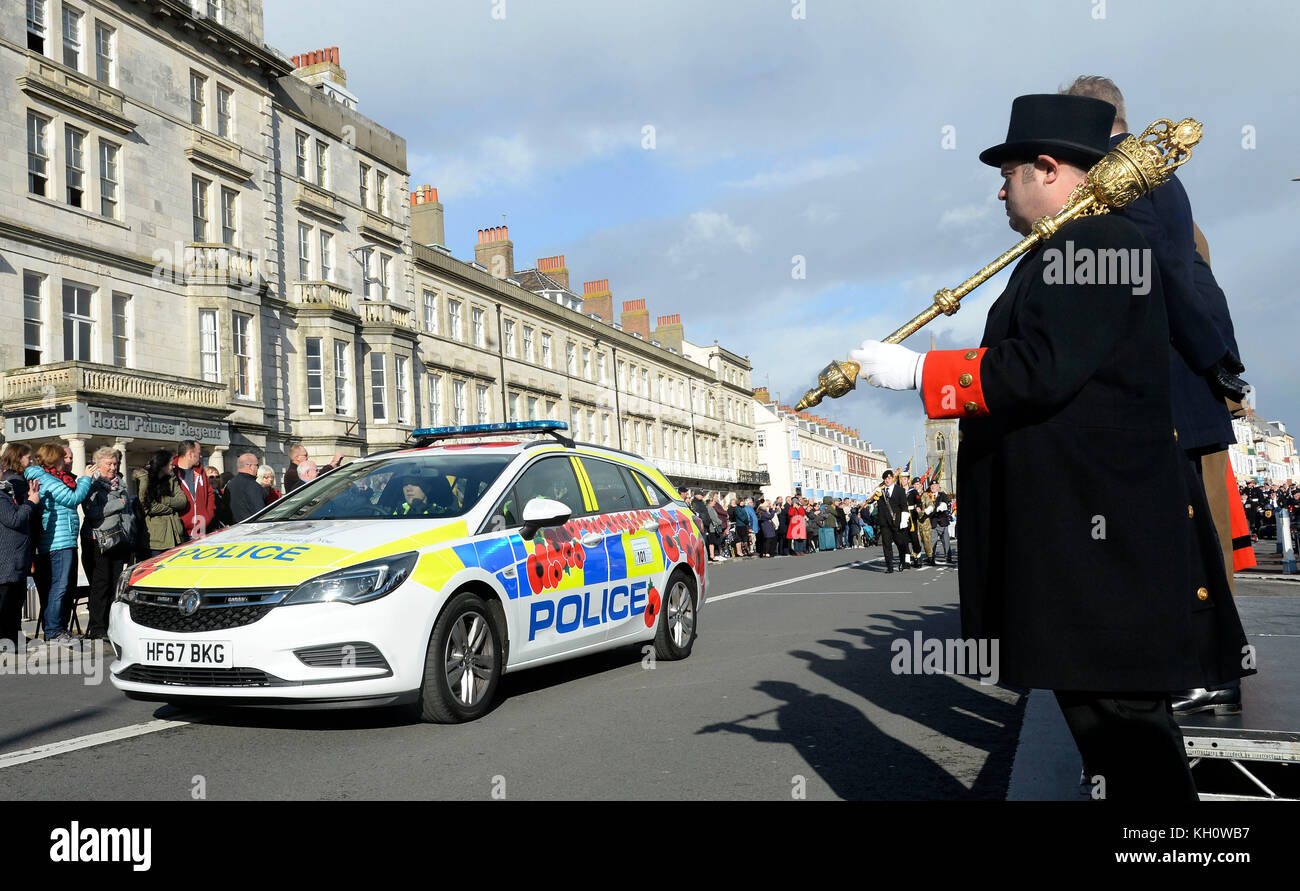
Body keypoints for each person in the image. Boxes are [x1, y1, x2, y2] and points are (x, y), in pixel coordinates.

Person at [850, 92, 1253, 800]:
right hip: (1086, 550)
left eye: (1008, 171)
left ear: (1047, 167)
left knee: (1130, 745)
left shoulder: (1096, 244)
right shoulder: (1067, 246)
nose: (999, 185)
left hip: (1099, 555)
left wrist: (919, 372)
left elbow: (1039, 368)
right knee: (1118, 743)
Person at [1062, 76, 1252, 717]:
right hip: (1186, 376)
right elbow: (1191, 266)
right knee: (1198, 539)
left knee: (1194, 540)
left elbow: (1170, 272)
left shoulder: (1127, 174)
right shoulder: (1147, 169)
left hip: (1176, 381)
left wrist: (1214, 362)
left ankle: (1212, 669)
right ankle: (1209, 665)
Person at [24, 442, 92, 645]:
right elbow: (73, 498)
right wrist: (86, 477)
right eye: (63, 457)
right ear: (54, 459)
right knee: (59, 587)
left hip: (61, 539)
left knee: (62, 587)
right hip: (57, 541)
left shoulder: (48, 478)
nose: (66, 461)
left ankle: (58, 629)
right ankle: (54, 631)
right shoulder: (47, 479)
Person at [80, 447, 137, 640]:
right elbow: (92, 513)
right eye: (109, 464)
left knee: (116, 585)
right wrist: (117, 504)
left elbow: (128, 513)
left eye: (115, 464)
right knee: (101, 585)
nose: (113, 468)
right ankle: (98, 628)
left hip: (120, 540)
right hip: (99, 541)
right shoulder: (91, 485)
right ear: (98, 464)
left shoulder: (120, 484)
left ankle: (113, 626)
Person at [0, 446, 40, 650]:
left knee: (15, 600)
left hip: (16, 557)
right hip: (6, 558)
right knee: (7, 602)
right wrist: (31, 503)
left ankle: (14, 637)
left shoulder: (5, 491)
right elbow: (13, 519)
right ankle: (7, 640)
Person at [139, 450, 190, 556]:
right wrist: (171, 509)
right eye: (171, 464)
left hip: (175, 536)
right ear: (162, 465)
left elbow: (182, 501)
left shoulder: (172, 479)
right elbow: (149, 507)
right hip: (156, 540)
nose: (173, 467)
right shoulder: (145, 480)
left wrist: (164, 500)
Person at [172, 440, 217, 540]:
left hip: (201, 532)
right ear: (190, 454)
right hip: (179, 534)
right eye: (199, 453)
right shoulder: (172, 472)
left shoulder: (200, 471)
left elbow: (210, 494)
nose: (201, 456)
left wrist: (208, 516)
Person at [876, 471, 910, 572]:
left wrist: (904, 520)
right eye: (885, 478)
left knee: (900, 543)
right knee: (886, 545)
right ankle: (889, 566)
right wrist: (874, 493)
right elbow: (872, 501)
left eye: (889, 478)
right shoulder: (880, 491)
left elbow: (904, 506)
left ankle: (902, 561)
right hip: (884, 523)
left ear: (893, 479)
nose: (887, 480)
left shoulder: (899, 490)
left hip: (897, 522)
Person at [226, 453, 268, 523]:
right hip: (251, 528)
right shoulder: (253, 485)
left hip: (234, 528)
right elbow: (260, 512)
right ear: (250, 466)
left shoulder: (230, 484)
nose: (258, 468)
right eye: (257, 465)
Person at [928, 479, 955, 564]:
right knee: (933, 542)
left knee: (946, 541)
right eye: (932, 486)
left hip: (942, 522)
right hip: (933, 522)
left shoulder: (942, 495)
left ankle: (948, 557)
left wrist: (942, 505)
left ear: (938, 486)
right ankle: (931, 558)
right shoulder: (928, 496)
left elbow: (945, 503)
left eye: (935, 486)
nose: (933, 487)